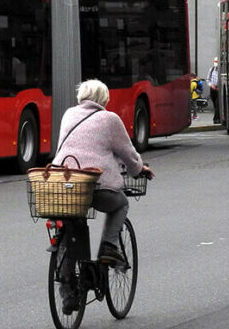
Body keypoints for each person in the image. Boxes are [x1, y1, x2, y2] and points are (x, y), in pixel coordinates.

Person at [52, 79, 154, 312]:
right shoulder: (110, 119)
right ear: (104, 99)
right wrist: (140, 170)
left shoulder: (68, 114)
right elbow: (127, 153)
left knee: (69, 227)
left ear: (81, 97)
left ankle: (67, 293)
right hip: (97, 185)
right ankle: (108, 246)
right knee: (120, 205)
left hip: (65, 185)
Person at [207, 57, 220, 124]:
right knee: (215, 105)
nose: (216, 63)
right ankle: (218, 118)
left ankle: (215, 119)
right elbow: (208, 79)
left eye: (217, 61)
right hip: (212, 89)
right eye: (215, 61)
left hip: (219, 90)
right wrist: (211, 85)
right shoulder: (211, 69)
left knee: (218, 104)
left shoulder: (221, 70)